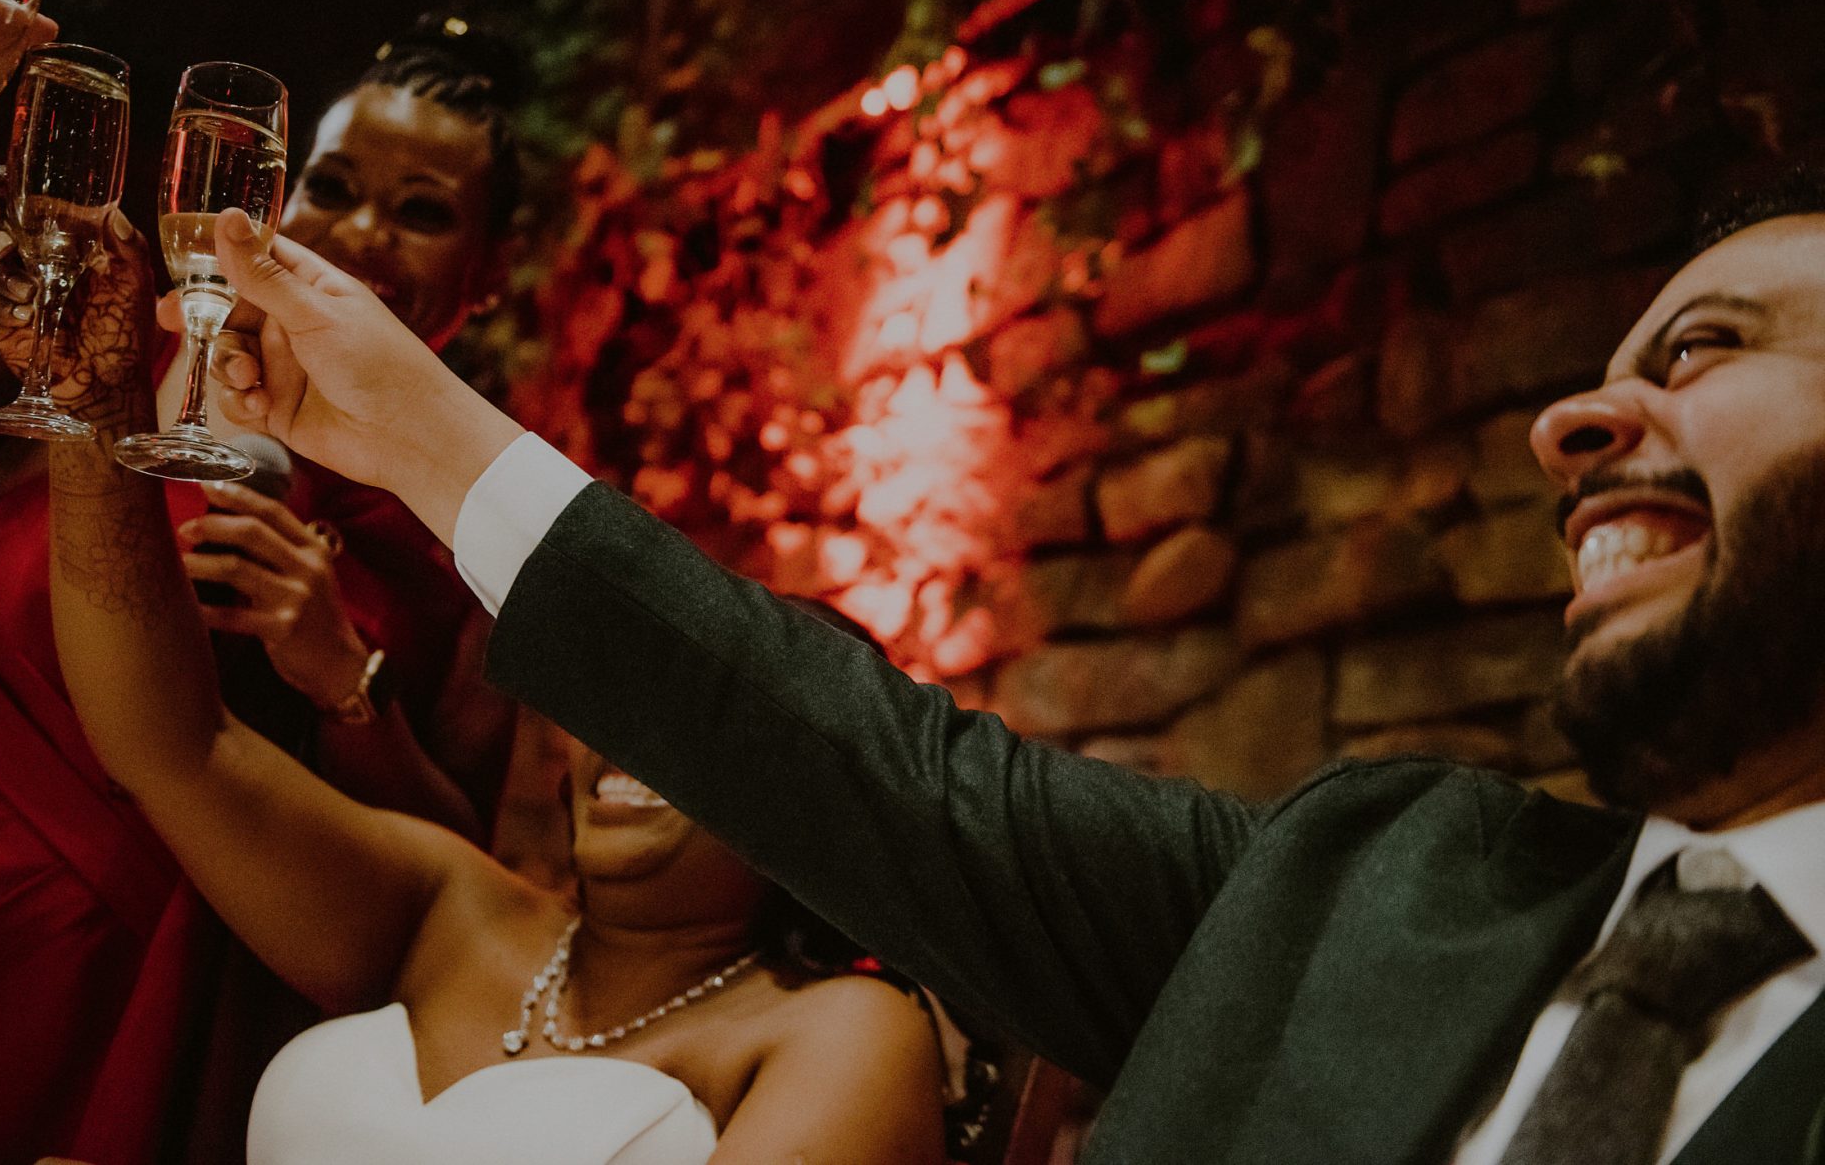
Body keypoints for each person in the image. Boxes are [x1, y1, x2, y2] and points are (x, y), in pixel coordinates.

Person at [188, 166, 1825, 1163]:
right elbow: (861, 760)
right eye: (1599, 375)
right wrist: (403, 424)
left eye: (1703, 348)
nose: (1568, 426)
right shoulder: (1373, 872)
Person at [0, 0, 517, 1165]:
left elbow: (458, 905)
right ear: (272, 194)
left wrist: (348, 682)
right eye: (333, 184)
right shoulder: (104, 335)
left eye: (425, 208)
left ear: (488, 274)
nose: (361, 233)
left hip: (155, 1011)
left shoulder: (476, 528)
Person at [35, 233, 945, 1162]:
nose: (648, 737)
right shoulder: (447, 908)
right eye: (642, 701)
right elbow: (173, 748)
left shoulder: (846, 1030)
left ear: (818, 810)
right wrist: (89, 401)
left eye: (725, 718)